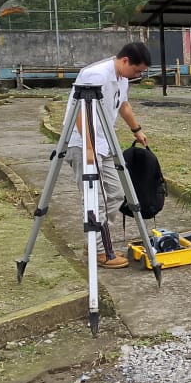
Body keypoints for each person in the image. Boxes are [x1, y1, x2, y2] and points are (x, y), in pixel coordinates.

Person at [64, 42, 152, 269]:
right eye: (137, 70)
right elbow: (80, 112)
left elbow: (123, 105)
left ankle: (97, 243)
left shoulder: (122, 78)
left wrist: (136, 129)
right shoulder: (95, 75)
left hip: (105, 143)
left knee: (116, 193)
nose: (138, 75)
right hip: (83, 143)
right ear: (125, 60)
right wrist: (89, 148)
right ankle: (101, 251)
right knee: (96, 200)